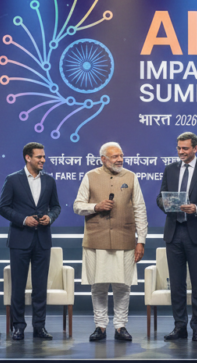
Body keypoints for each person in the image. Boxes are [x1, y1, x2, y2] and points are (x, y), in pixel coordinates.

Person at [73, 142, 147, 342]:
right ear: (103, 159)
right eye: (115, 156)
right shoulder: (90, 176)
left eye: (121, 155)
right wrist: (96, 207)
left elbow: (140, 209)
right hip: (96, 239)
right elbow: (77, 206)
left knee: (123, 285)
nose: (120, 159)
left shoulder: (131, 177)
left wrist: (141, 240)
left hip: (125, 239)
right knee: (98, 285)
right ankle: (100, 326)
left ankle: (121, 326)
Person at [157, 132, 197, 342]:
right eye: (179, 148)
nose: (181, 152)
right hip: (174, 232)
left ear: (195, 148)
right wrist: (166, 204)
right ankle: (179, 327)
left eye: (185, 148)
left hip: (196, 233)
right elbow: (160, 197)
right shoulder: (170, 169)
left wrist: (196, 208)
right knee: (176, 284)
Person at [0, 142, 61, 340]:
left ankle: (39, 327)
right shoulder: (12, 180)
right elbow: (3, 208)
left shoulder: (49, 181)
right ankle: (18, 326)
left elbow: (56, 207)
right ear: (28, 158)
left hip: (42, 240)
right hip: (20, 239)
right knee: (18, 286)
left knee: (40, 287)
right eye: (39, 157)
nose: (43, 160)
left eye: (44, 156)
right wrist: (24, 219)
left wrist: (50, 217)